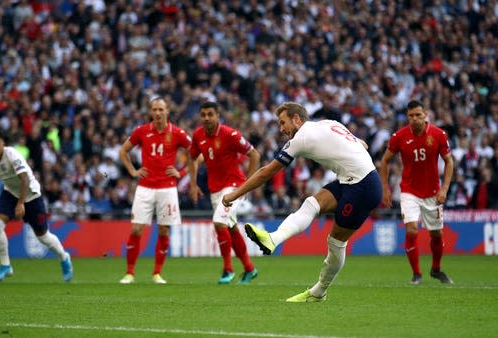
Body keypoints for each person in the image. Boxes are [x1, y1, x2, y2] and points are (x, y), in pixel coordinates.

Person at [222, 102, 382, 302]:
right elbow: (363, 144)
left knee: (336, 242)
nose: (281, 129)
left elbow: (265, 173)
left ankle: (319, 291)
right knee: (311, 204)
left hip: (362, 186)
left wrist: (233, 195)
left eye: (283, 123)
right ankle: (272, 239)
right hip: (352, 180)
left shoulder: (301, 139)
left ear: (297, 119)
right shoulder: (329, 123)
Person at [0, 128, 73, 282]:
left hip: (32, 195)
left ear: (3, 144)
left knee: (43, 237)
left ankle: (64, 257)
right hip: (10, 193)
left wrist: (20, 203)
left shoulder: (12, 155)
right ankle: (5, 265)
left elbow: (25, 179)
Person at [379, 100, 454, 285]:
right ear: (407, 117)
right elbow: (385, 161)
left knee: (436, 234)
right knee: (411, 229)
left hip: (432, 192)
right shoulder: (399, 136)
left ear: (425, 115)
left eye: (418, 115)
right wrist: (385, 189)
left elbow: (449, 161)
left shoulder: (438, 134)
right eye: (411, 115)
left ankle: (436, 269)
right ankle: (417, 274)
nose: (414, 118)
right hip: (409, 191)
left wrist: (444, 189)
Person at [118, 97, 191, 284]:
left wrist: (181, 172)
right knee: (136, 229)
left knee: (164, 231)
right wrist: (133, 171)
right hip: (145, 187)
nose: (157, 113)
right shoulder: (142, 131)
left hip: (167, 188)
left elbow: (196, 153)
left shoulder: (177, 133)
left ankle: (157, 273)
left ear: (167, 111)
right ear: (151, 112)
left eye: (161, 109)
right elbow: (123, 151)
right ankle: (130, 273)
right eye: (154, 110)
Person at [188, 101, 260, 284]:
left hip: (233, 186)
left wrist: (248, 184)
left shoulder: (230, 134)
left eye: (210, 114)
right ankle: (249, 268)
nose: (206, 118)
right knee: (230, 226)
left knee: (219, 223)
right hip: (215, 188)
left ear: (218, 115)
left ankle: (228, 269)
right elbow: (192, 158)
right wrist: (193, 184)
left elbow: (254, 155)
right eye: (203, 114)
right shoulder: (198, 135)